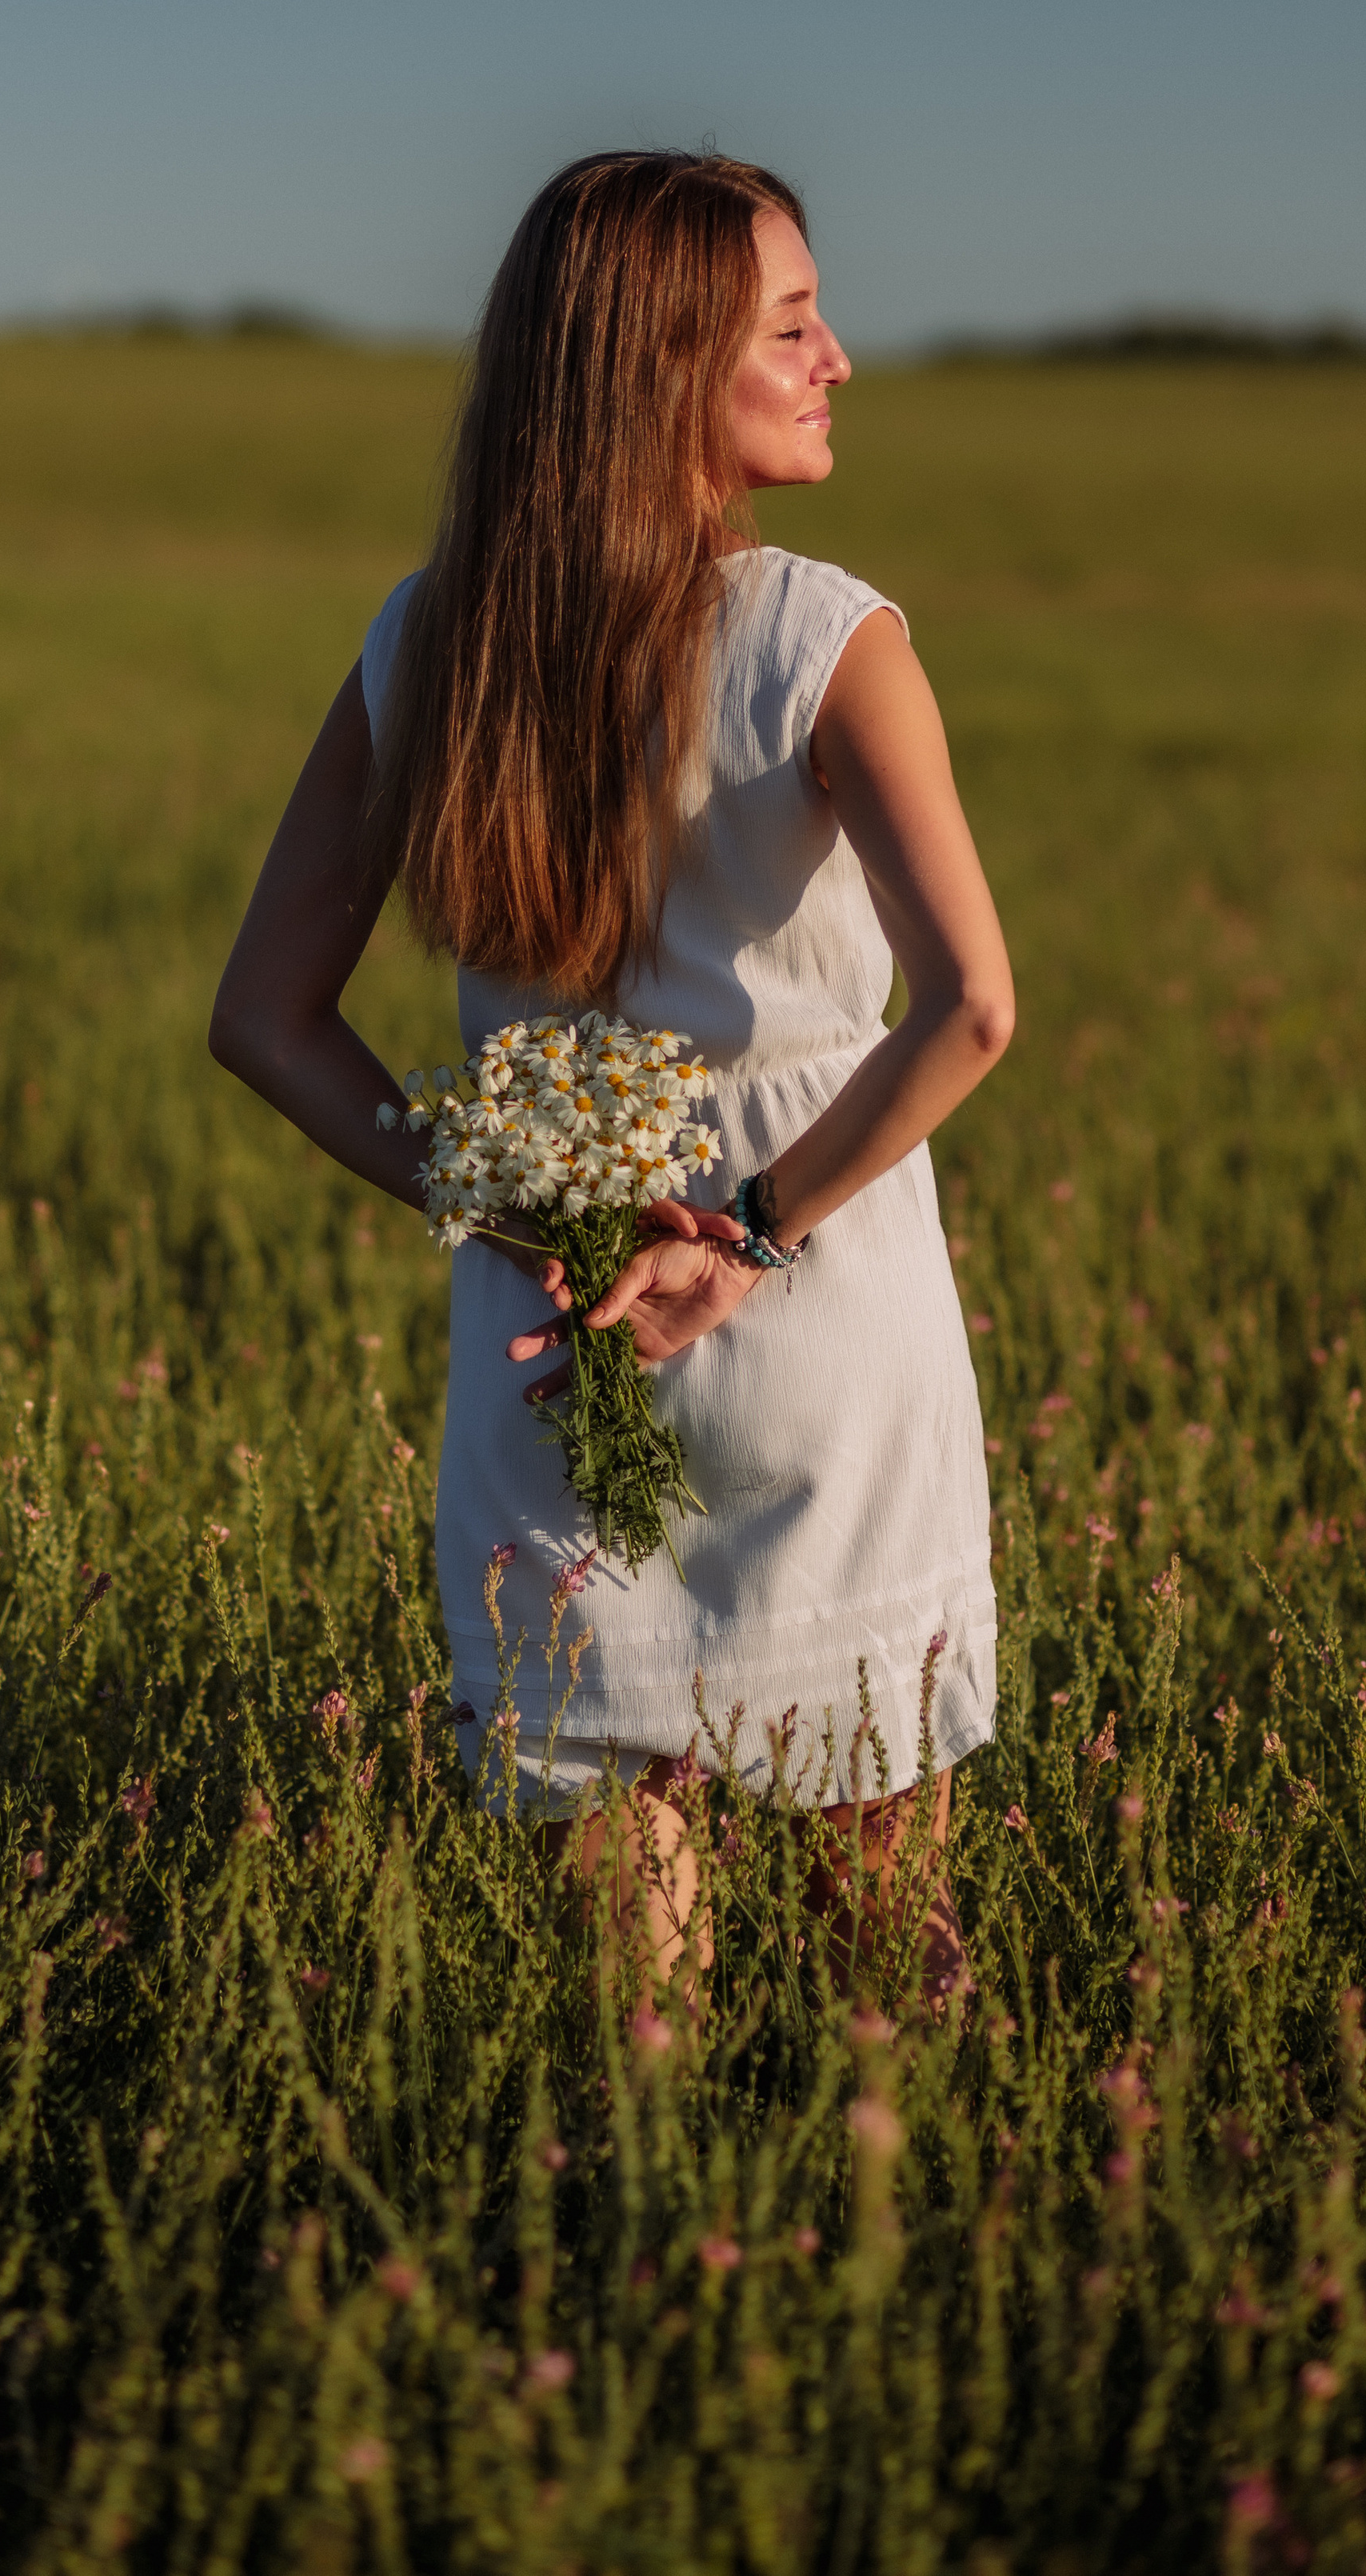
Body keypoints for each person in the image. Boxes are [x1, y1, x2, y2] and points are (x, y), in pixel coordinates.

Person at [210, 150, 1013, 2015]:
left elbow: (264, 1019)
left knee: (628, 1991)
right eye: (793, 325)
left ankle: (650, 2270)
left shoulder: (429, 641)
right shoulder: (826, 638)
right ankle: (906, 2231)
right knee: (883, 1931)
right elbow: (969, 1008)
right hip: (815, 1296)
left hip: (552, 1324)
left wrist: (509, 1200)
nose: (838, 360)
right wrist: (739, 1231)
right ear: (665, 368)